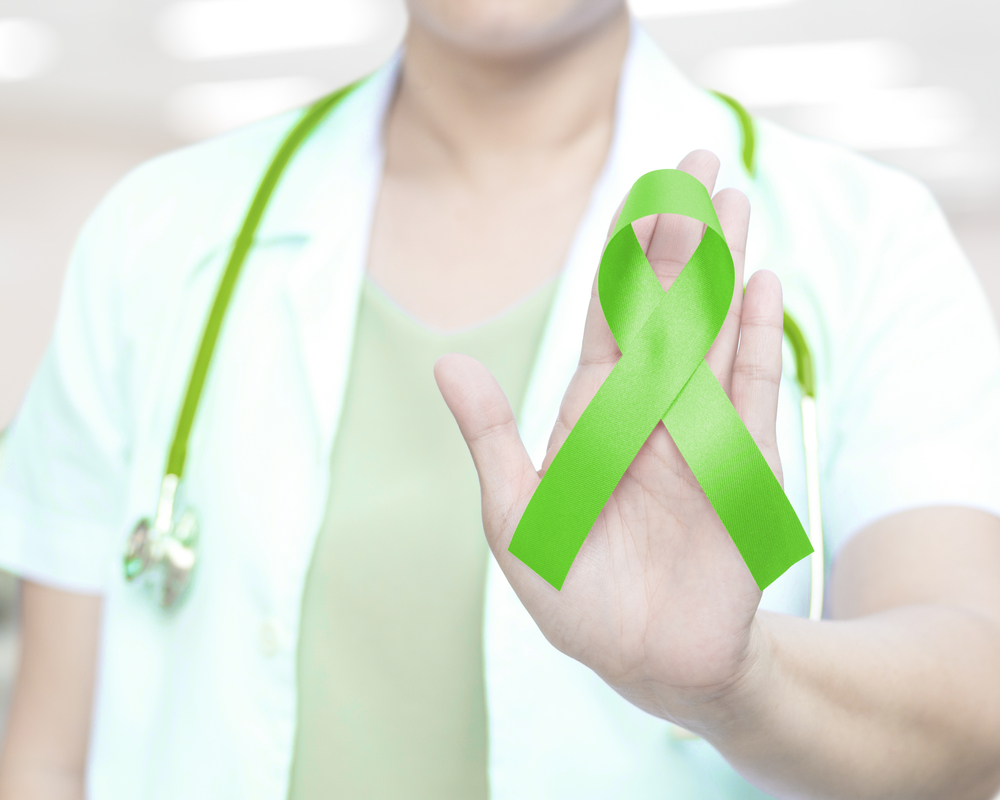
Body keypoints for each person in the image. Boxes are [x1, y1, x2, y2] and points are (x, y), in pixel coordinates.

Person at [1, 0, 1000, 798]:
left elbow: (973, 711)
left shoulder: (865, 241)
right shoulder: (157, 236)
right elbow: (48, 759)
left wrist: (742, 682)